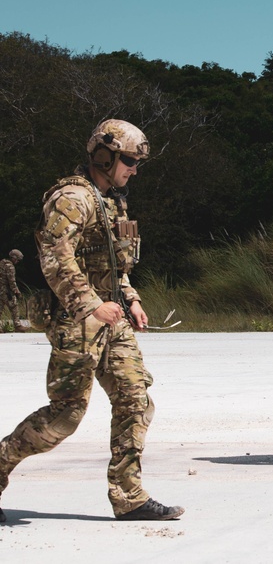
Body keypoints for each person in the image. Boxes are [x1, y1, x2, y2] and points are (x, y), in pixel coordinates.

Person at [0, 119, 183, 523]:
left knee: (136, 400)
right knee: (65, 416)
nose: (134, 170)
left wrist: (130, 298)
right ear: (106, 156)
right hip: (76, 320)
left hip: (111, 318)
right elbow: (55, 256)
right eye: (131, 161)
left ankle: (129, 496)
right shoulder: (72, 198)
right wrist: (90, 304)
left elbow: (114, 263)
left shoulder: (111, 201)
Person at [0, 249, 22, 326]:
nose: (17, 262)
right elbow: (12, 281)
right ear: (14, 258)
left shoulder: (2, 263)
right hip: (6, 290)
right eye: (17, 260)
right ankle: (17, 325)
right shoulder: (10, 267)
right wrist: (17, 292)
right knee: (14, 306)